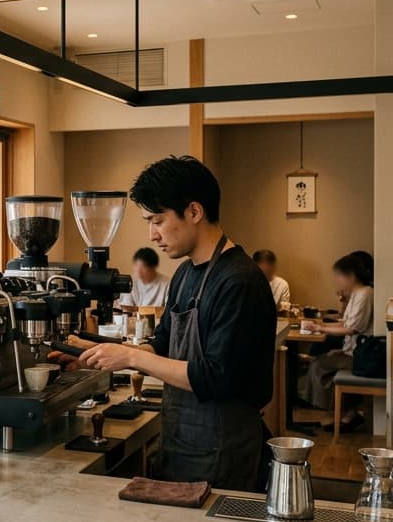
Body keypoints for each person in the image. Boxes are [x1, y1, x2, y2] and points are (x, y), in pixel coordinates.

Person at [76, 155, 277, 491]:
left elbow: (215, 377)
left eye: (157, 220)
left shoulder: (239, 281)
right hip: (181, 444)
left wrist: (131, 358)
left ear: (194, 212)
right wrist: (97, 353)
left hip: (224, 452)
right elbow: (163, 342)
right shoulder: (184, 274)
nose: (152, 235)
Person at [301, 255, 374, 433]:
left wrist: (321, 329)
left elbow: (351, 329)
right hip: (352, 351)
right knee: (320, 361)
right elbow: (344, 322)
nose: (338, 281)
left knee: (318, 364)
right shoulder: (357, 294)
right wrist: (321, 325)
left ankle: (347, 413)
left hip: (361, 355)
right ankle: (346, 413)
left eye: (339, 276)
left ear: (351, 275)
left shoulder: (365, 294)